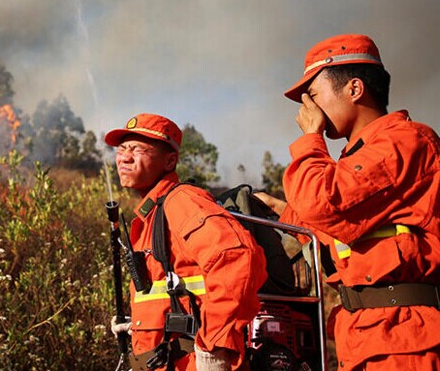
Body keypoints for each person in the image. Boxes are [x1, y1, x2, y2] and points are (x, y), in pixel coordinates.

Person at [276, 34, 440, 370]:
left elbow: (323, 204)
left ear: (354, 89)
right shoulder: (359, 160)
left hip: (405, 343)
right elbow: (327, 223)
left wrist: (311, 139)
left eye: (314, 94)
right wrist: (276, 210)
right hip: (369, 338)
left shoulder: (404, 142)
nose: (308, 108)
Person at [105, 113, 267, 371]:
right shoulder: (153, 213)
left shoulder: (182, 202)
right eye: (122, 148)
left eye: (137, 149)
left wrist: (213, 349)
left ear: (170, 161)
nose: (124, 157)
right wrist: (138, 323)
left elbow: (238, 258)